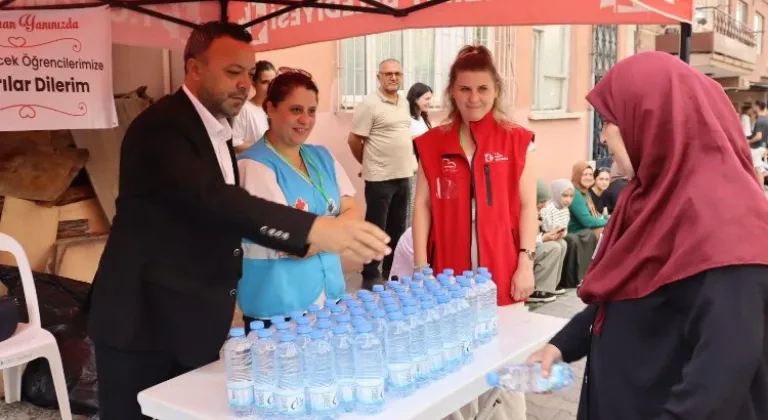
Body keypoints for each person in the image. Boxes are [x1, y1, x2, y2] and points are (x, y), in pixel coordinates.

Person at [85, 22, 390, 420]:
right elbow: (216, 201)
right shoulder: (162, 128)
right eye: (233, 72)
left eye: (249, 74)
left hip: (191, 318)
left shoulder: (217, 131)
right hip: (144, 322)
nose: (245, 84)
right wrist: (314, 229)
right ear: (194, 69)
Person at [527, 51, 768, 420]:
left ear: (653, 121)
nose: (603, 135)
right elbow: (626, 295)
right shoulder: (655, 198)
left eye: (610, 120)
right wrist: (563, 344)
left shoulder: (729, 227)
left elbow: (722, 377)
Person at [413, 45, 536, 420]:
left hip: (503, 273)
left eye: (482, 89)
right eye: (465, 89)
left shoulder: (516, 139)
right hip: (448, 276)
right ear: (452, 90)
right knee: (454, 368)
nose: (474, 98)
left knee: (510, 370)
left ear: (496, 90)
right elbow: (422, 207)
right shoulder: (433, 144)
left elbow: (529, 205)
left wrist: (525, 262)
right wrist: (421, 267)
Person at [237, 69, 361, 329]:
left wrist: (323, 233)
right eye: (295, 109)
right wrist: (337, 231)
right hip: (279, 309)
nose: (305, 119)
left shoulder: (321, 157)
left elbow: (353, 208)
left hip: (329, 299)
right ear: (270, 108)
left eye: (312, 111)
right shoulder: (254, 166)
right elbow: (290, 241)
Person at [348, 58, 413, 287]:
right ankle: (370, 274)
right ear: (379, 77)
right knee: (376, 229)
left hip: (403, 175)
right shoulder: (369, 104)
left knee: (398, 227)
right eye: (388, 74)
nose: (393, 77)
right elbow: (354, 139)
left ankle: (391, 270)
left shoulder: (403, 102)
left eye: (397, 73)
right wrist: (366, 164)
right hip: (379, 178)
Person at [529, 179, 568, 303]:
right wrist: (543, 238)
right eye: (541, 201)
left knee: (562, 243)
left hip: (532, 246)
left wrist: (551, 234)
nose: (544, 205)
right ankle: (537, 289)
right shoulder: (522, 212)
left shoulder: (535, 211)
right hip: (522, 252)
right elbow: (521, 240)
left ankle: (551, 285)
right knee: (553, 247)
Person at [231, 60, 276, 153]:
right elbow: (235, 143)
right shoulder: (244, 109)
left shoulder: (276, 109)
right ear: (254, 83)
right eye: (265, 82)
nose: (270, 86)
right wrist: (265, 146)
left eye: (273, 81)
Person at [405, 82, 433, 228]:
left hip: (424, 170)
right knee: (412, 208)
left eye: (430, 99)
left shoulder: (422, 118)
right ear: (415, 98)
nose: (429, 102)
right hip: (412, 171)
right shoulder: (406, 120)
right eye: (426, 99)